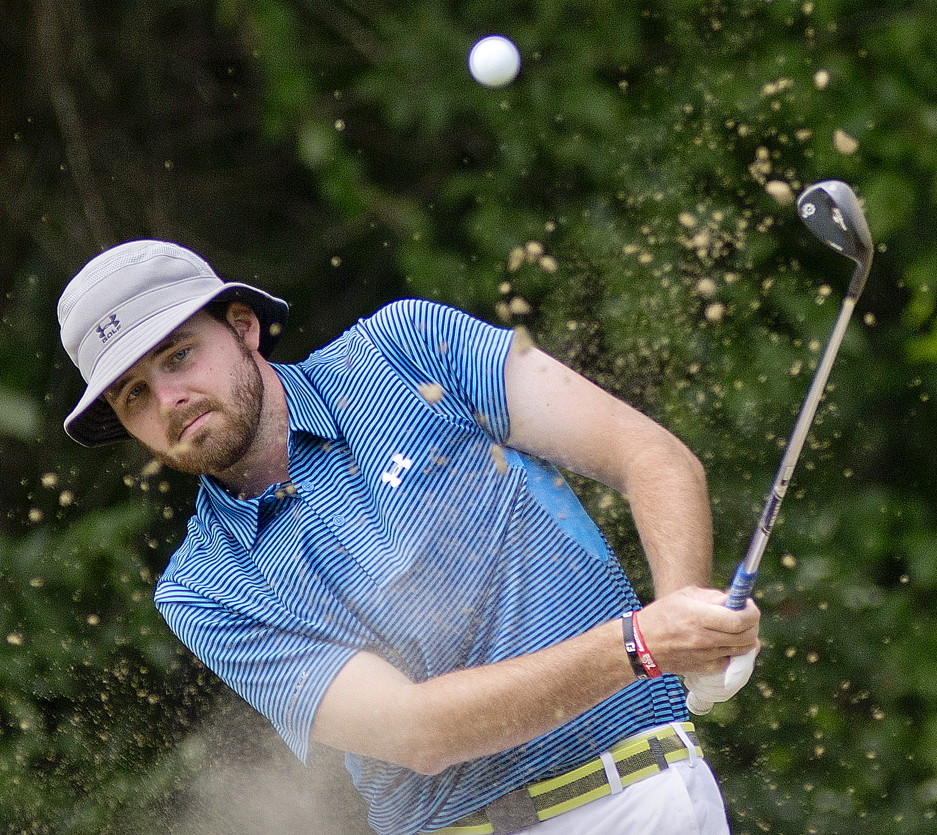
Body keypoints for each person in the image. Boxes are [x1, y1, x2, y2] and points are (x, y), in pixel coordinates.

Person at [58, 240, 760, 835]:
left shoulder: (406, 348)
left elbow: (648, 455)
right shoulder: (201, 585)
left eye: (177, 356)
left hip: (644, 800)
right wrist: (640, 643)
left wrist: (685, 616)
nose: (167, 400)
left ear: (243, 327)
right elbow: (416, 732)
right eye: (134, 395)